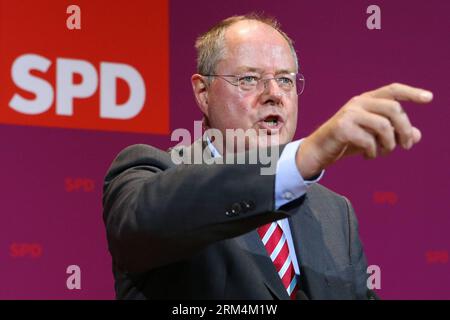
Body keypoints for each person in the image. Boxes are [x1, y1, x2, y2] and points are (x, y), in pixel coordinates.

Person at [102, 14, 433, 300]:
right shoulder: (149, 172)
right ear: (203, 93)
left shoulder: (335, 213)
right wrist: (305, 156)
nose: (274, 94)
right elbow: (150, 219)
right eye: (249, 79)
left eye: (285, 80)